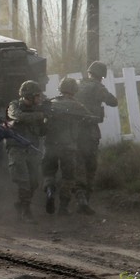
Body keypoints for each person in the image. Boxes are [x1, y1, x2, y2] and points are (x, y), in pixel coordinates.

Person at [41, 77, 96, 216]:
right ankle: (63, 208)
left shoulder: (51, 103)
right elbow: (90, 119)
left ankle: (49, 191)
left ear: (60, 88)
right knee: (68, 178)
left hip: (50, 145)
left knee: (49, 173)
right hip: (69, 147)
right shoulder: (78, 106)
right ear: (74, 91)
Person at [74, 61, 118, 212]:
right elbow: (113, 101)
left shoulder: (77, 85)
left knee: (77, 164)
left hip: (74, 132)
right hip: (90, 132)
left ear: (89, 72)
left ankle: (79, 195)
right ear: (101, 76)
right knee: (90, 165)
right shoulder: (98, 87)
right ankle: (85, 199)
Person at [6, 80, 47, 224]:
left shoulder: (39, 108)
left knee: (34, 181)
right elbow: (17, 116)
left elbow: (42, 131)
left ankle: (21, 204)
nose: (39, 98)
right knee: (23, 180)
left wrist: (47, 118)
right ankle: (26, 211)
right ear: (28, 96)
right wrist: (39, 115)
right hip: (17, 148)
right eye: (36, 96)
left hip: (32, 148)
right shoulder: (14, 105)